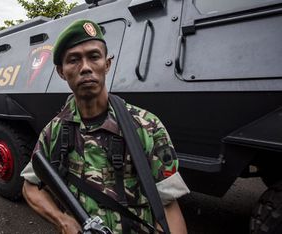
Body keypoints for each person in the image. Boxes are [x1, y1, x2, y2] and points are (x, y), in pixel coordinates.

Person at [21, 19, 190, 234]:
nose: (85, 68)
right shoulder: (53, 131)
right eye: (73, 60)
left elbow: (169, 204)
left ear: (107, 64)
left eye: (94, 57)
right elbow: (30, 185)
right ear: (61, 71)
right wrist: (61, 220)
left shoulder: (147, 126)